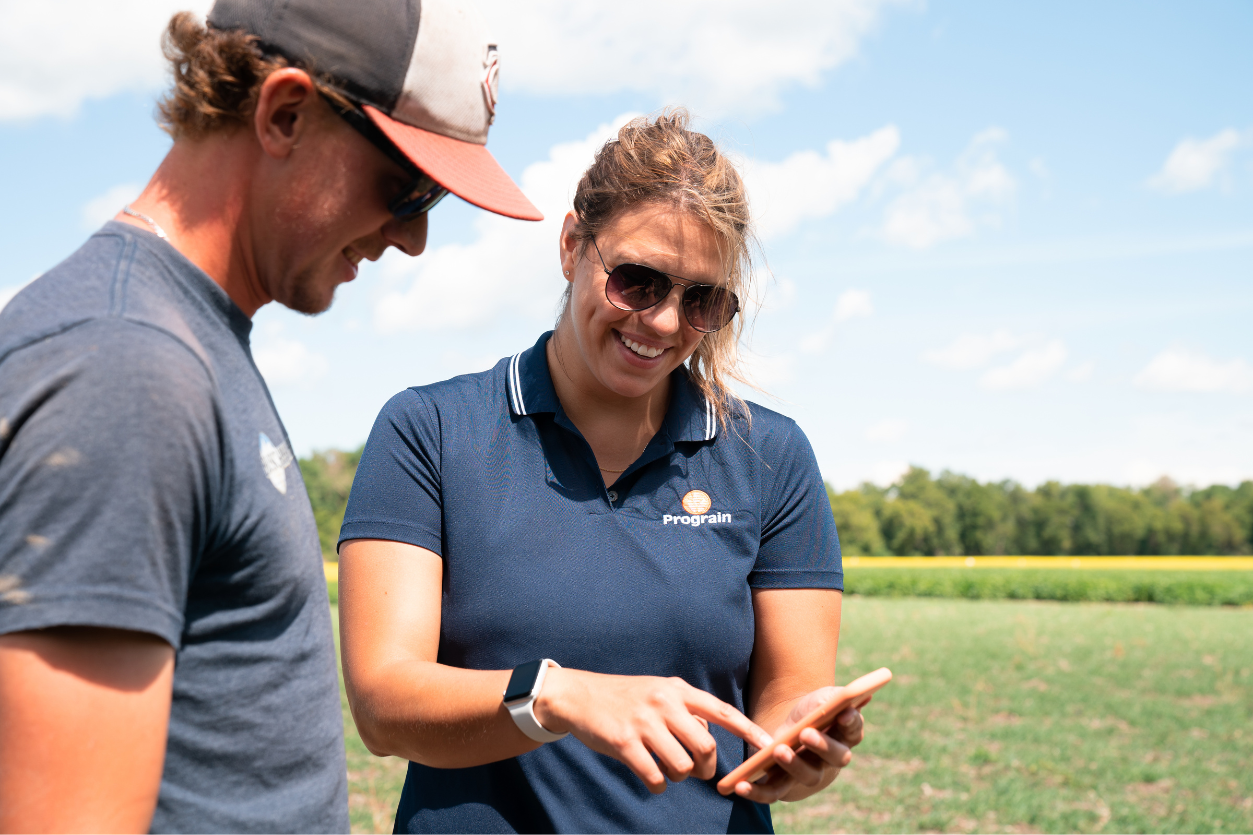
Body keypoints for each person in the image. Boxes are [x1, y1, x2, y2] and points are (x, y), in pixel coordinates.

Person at [0, 0, 541, 831]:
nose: (414, 240)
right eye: (409, 187)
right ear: (285, 113)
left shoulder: (187, 340)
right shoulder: (128, 366)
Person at [338, 109, 862, 834]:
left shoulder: (769, 456)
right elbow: (383, 704)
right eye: (637, 281)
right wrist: (556, 697)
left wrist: (799, 743)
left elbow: (780, 706)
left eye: (701, 300)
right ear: (570, 247)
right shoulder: (430, 430)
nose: (665, 322)